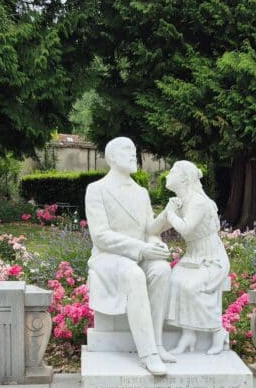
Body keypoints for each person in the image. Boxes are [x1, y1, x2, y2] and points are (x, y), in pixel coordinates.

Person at [85, 137, 174, 375]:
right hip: (109, 257)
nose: (134, 155)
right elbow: (101, 236)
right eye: (127, 150)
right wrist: (141, 248)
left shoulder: (141, 192)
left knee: (162, 269)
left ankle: (157, 342)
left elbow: (149, 231)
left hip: (138, 255)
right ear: (112, 157)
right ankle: (148, 354)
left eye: (135, 151)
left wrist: (156, 245)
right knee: (134, 274)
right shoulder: (96, 190)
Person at [161, 161, 230, 355]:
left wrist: (170, 213)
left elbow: (185, 228)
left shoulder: (197, 201)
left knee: (191, 287)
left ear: (183, 178)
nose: (167, 175)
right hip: (192, 256)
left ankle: (218, 331)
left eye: (172, 171)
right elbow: (158, 226)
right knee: (174, 281)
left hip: (211, 258)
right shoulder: (180, 201)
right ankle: (188, 335)